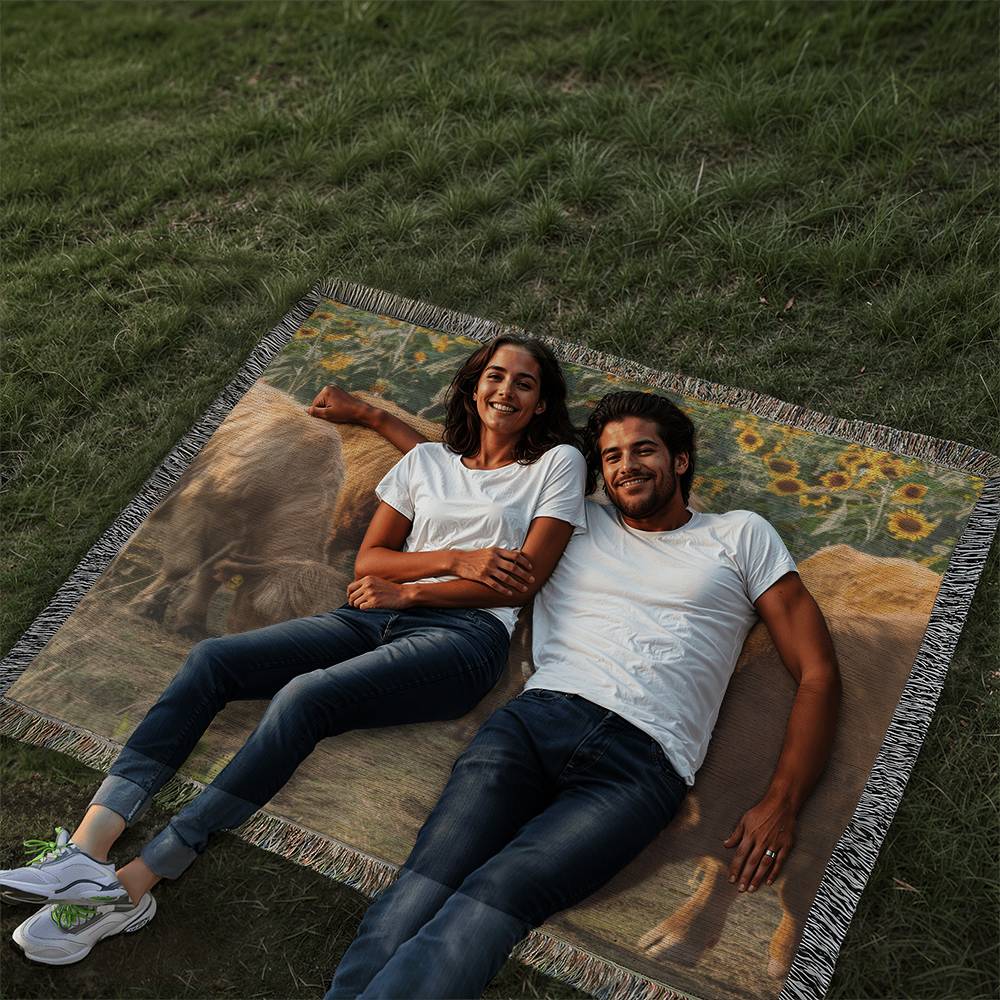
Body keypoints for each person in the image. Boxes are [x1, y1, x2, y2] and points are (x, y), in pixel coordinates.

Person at [2, 336, 588, 966]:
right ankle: (86, 852)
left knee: (305, 697)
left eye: (524, 383)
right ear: (474, 387)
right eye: (495, 376)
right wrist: (453, 558)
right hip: (371, 613)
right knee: (212, 660)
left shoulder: (556, 464)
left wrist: (412, 587)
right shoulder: (426, 462)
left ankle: (136, 883)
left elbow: (522, 580)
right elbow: (370, 559)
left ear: (540, 403)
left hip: (464, 637)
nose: (506, 391)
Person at [324, 390, 842, 999]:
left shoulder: (740, 535)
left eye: (643, 450)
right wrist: (374, 416)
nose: (626, 466)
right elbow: (468, 481)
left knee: (499, 895)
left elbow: (817, 673)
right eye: (612, 456)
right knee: (426, 881)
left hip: (641, 765)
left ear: (680, 460)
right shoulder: (574, 521)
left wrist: (782, 802)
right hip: (533, 722)